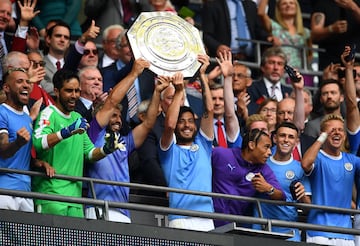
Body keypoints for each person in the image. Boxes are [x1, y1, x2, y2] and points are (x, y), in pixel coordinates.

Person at [85, 58, 167, 222]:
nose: (118, 119)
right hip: (98, 208)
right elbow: (112, 101)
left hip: (123, 211)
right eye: (113, 115)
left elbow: (148, 123)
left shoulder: (124, 142)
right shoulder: (94, 133)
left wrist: (157, 92)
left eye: (119, 116)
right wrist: (134, 73)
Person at [32, 69, 119, 218]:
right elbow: (39, 143)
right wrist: (66, 132)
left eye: (77, 91)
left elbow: (89, 153)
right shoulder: (48, 113)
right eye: (69, 91)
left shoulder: (77, 117)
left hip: (76, 199)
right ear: (56, 91)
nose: (74, 96)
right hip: (50, 196)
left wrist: (106, 149)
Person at [158, 54, 214, 232]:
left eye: (190, 120)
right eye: (182, 121)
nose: (187, 125)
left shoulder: (204, 145)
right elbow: (169, 125)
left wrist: (203, 76)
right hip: (180, 219)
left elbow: (209, 110)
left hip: (207, 218)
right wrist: (179, 91)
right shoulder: (169, 150)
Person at [301, 114, 360, 245]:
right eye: (332, 130)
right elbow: (305, 164)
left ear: (344, 135)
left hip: (346, 234)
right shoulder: (318, 158)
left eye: (340, 130)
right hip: (319, 231)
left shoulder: (351, 160)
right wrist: (322, 137)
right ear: (323, 134)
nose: (336, 132)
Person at [0, 67, 53, 212]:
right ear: (6, 88)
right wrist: (17, 143)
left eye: (28, 82)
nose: (26, 85)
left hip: (26, 191)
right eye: (19, 81)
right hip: (5, 191)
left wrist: (38, 163)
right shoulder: (1, 112)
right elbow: (3, 149)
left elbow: (22, 156)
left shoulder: (26, 118)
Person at [211, 128, 285, 227]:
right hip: (207, 220)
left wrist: (268, 189)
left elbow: (281, 197)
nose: (269, 152)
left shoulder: (263, 169)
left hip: (233, 226)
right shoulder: (221, 155)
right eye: (266, 147)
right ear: (251, 145)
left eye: (270, 148)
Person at [253, 122, 311, 242]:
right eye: (282, 135)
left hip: (289, 232)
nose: (286, 140)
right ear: (274, 138)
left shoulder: (300, 168)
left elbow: (308, 209)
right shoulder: (261, 161)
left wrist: (303, 196)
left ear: (296, 142)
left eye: (291, 137)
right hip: (261, 230)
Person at [201, 0, 269, 61]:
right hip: (224, 59)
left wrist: (269, 38)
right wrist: (217, 46)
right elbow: (207, 35)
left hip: (249, 59)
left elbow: (258, 30)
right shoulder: (212, 5)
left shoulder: (251, 5)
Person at [257, 0, 312, 70]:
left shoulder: (305, 32)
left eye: (291, 3)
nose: (288, 5)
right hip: (280, 69)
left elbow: (310, 54)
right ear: (278, 9)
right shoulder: (274, 26)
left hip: (300, 71)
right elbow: (261, 13)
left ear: (297, 7)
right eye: (284, 4)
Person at [310, 0, 360, 70]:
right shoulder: (322, 3)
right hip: (331, 61)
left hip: (357, 60)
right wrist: (331, 29)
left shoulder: (356, 3)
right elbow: (314, 35)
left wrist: (354, 8)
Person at [247, 46, 292, 115]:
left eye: (280, 64)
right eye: (271, 63)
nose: (276, 68)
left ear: (284, 69)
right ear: (263, 67)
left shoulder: (290, 92)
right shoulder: (251, 88)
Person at [42, 21, 71, 96]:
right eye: (58, 36)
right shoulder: (39, 63)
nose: (62, 40)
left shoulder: (73, 68)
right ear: (48, 39)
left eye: (66, 37)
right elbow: (42, 87)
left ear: (68, 43)